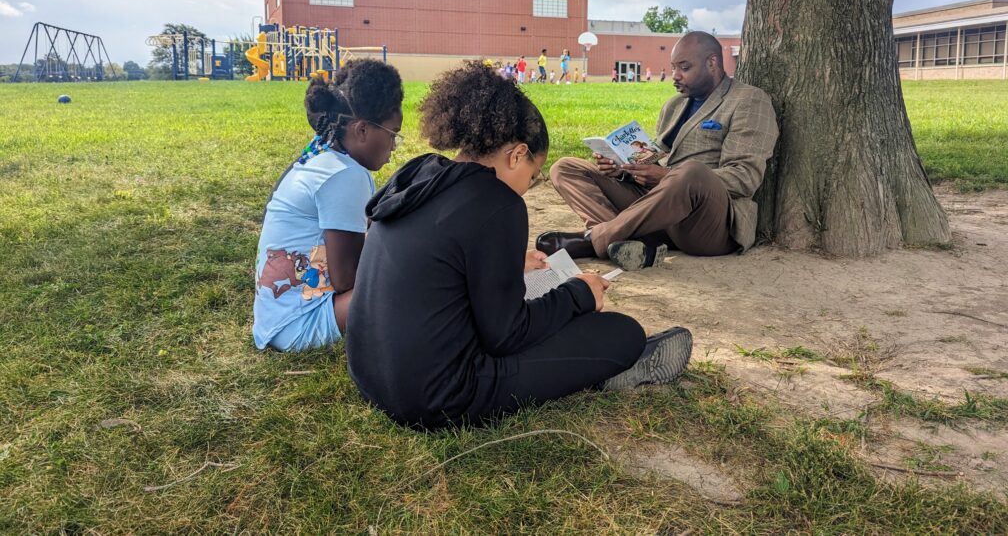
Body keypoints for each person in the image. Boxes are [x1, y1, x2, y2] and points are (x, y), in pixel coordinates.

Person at [346, 63, 693, 429]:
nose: (529, 185)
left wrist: (509, 264)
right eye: (532, 174)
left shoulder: (422, 174)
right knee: (622, 333)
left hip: (371, 376)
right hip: (437, 396)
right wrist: (578, 295)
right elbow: (506, 335)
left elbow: (443, 262)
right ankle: (613, 367)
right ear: (516, 154)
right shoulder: (498, 203)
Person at [537, 32, 778, 272]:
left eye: (684, 67)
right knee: (566, 168)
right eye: (673, 67)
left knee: (691, 172)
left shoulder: (748, 101)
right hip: (658, 207)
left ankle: (593, 240)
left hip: (708, 222)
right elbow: (658, 156)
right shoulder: (674, 105)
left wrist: (667, 176)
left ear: (712, 63)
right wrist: (623, 170)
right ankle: (631, 242)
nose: (675, 76)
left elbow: (745, 178)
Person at [253, 60, 404, 352]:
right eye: (392, 133)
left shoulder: (324, 157)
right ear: (361, 130)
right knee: (414, 277)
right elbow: (347, 279)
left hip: (279, 321)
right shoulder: (345, 175)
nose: (394, 146)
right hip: (301, 325)